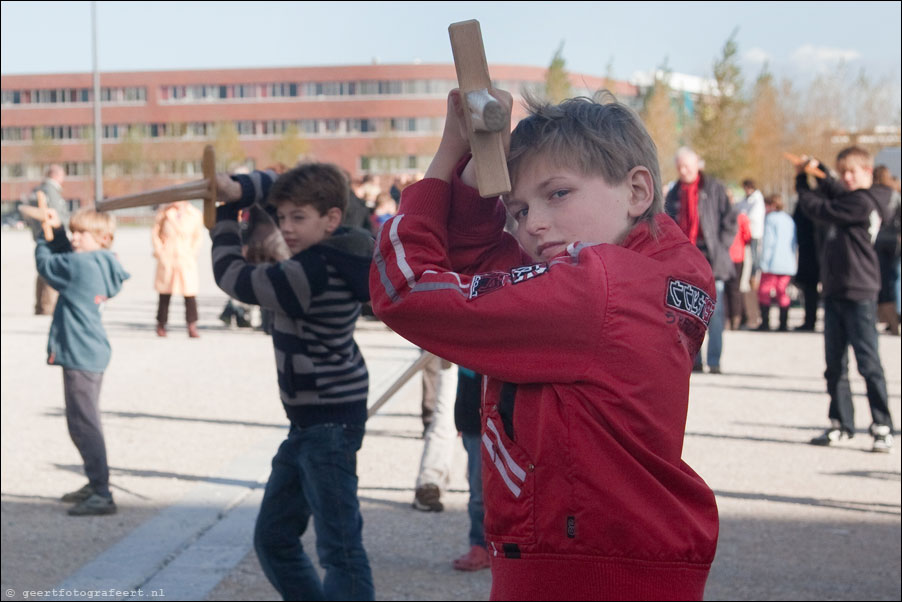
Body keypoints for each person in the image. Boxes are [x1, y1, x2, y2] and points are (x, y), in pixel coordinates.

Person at [370, 89, 719, 600]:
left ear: (637, 191)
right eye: (517, 209)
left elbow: (406, 290)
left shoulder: (595, 290)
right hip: (626, 560)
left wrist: (447, 156)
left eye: (558, 194)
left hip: (576, 573)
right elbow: (484, 265)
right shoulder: (661, 272)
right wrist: (476, 169)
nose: (531, 222)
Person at [212, 163, 375, 600]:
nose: (286, 227)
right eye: (282, 218)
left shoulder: (313, 271)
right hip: (309, 425)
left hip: (329, 426)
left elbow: (233, 278)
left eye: (298, 218)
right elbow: (280, 185)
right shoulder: (336, 248)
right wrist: (238, 188)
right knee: (274, 539)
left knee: (340, 549)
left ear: (332, 219)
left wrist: (225, 213)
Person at [796, 147, 894, 453]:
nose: (847, 178)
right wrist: (820, 168)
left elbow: (818, 208)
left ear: (867, 171)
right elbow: (835, 187)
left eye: (853, 172)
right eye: (844, 172)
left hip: (860, 293)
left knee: (869, 364)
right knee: (834, 365)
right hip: (836, 291)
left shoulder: (865, 202)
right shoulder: (851, 195)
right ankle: (841, 423)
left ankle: (882, 425)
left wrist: (802, 181)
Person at [35, 207, 130, 516]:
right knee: (81, 421)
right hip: (91, 350)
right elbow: (66, 256)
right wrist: (60, 231)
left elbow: (47, 264)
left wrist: (43, 235)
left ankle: (101, 491)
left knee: (84, 424)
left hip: (80, 353)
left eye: (81, 233)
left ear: (102, 238)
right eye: (73, 232)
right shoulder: (103, 261)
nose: (75, 238)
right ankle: (94, 482)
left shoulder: (80, 266)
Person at [665, 147, 736, 374]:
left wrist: (722, 245)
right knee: (687, 314)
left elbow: (730, 220)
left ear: (697, 165)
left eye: (686, 166)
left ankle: (714, 361)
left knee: (714, 313)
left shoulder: (714, 188)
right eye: (679, 167)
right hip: (685, 261)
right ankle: (694, 360)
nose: (683, 170)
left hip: (712, 259)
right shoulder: (674, 191)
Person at [451, 366, 490, 572]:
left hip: (487, 417)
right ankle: (480, 544)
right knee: (477, 489)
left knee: (480, 492)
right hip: (470, 420)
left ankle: (483, 546)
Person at [412, 354, 458, 512]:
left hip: (494, 343)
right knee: (444, 414)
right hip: (451, 346)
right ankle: (430, 481)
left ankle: (482, 485)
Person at [22, 164, 70, 315]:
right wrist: (63, 231)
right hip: (52, 235)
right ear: (56, 175)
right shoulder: (51, 190)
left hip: (40, 236)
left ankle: (40, 305)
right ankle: (47, 307)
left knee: (42, 268)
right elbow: (55, 215)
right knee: (52, 268)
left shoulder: (38, 190)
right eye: (63, 175)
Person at [152, 201, 204, 338]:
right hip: (169, 255)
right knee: (165, 293)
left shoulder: (195, 214)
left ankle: (192, 325)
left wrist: (192, 253)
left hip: (185, 256)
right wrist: (160, 251)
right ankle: (161, 323)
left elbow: (198, 236)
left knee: (189, 293)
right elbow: (155, 232)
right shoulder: (164, 213)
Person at [756, 194, 797, 332]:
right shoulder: (789, 219)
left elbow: (768, 243)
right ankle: (783, 323)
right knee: (782, 292)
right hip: (787, 263)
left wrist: (763, 263)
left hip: (772, 263)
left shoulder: (770, 219)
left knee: (764, 291)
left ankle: (765, 323)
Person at [872, 165, 901, 335]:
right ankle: (896, 317)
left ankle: (886, 316)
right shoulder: (893, 195)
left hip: (877, 239)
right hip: (895, 240)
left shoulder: (870, 193)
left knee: (881, 278)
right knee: (896, 278)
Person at [792, 194, 822, 331]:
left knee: (810, 289)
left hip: (810, 249)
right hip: (813, 249)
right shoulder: (824, 200)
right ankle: (810, 320)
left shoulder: (806, 202)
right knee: (811, 289)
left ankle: (810, 320)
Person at [725, 190, 751, 330]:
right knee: (735, 288)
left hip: (724, 256)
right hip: (737, 255)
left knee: (723, 288)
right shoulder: (741, 216)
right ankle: (736, 318)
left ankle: (727, 319)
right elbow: (747, 236)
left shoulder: (718, 215)